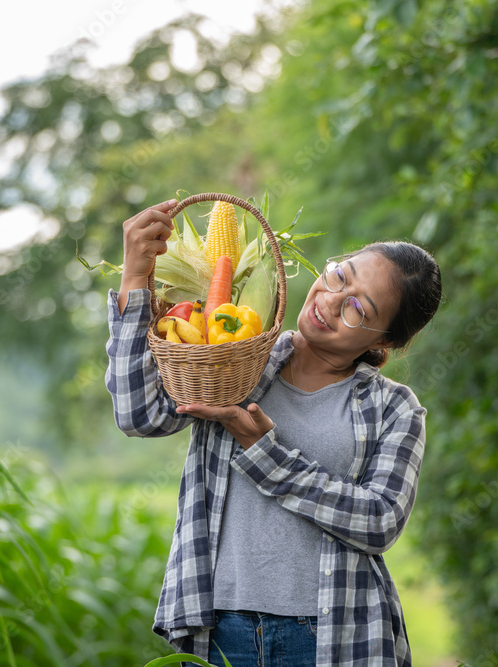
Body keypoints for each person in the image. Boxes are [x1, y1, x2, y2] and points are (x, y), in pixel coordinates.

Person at [105, 199, 442, 666]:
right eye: (339, 276)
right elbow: (138, 415)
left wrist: (266, 452)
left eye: (357, 309)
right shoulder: (235, 358)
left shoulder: (394, 408)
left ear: (383, 340)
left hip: (335, 637)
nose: (328, 301)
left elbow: (379, 520)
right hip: (222, 629)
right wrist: (134, 280)